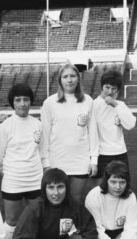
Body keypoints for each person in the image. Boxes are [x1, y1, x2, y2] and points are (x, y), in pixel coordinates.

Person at [7, 168, 105, 239]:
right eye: (51, 187)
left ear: (67, 188)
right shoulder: (34, 208)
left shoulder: (74, 206)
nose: (56, 193)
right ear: (44, 189)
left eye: (60, 187)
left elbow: (91, 231)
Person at [0, 83, 45, 239]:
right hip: (13, 180)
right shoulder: (5, 127)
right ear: (12, 103)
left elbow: (43, 152)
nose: (22, 104)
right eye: (18, 100)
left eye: (26, 99)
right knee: (11, 220)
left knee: (36, 217)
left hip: (35, 180)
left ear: (31, 101)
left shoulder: (38, 125)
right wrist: (9, 174)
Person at [40, 63, 98, 203]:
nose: (69, 80)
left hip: (80, 160)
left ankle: (74, 225)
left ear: (78, 78)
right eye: (65, 77)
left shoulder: (88, 101)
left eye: (72, 76)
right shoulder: (49, 103)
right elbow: (45, 135)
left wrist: (93, 160)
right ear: (60, 80)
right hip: (57, 160)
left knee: (76, 199)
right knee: (57, 200)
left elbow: (93, 133)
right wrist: (46, 162)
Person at [85, 161, 137, 239]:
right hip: (99, 234)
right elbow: (97, 229)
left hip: (120, 232)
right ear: (106, 181)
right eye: (113, 182)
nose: (118, 187)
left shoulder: (130, 196)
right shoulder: (94, 196)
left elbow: (131, 227)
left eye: (122, 182)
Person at [92, 70, 136, 184]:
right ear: (101, 87)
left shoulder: (120, 105)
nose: (110, 91)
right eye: (107, 87)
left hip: (119, 153)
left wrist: (115, 105)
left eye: (114, 89)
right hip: (101, 155)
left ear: (118, 90)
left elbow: (130, 125)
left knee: (122, 188)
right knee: (101, 190)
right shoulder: (93, 105)